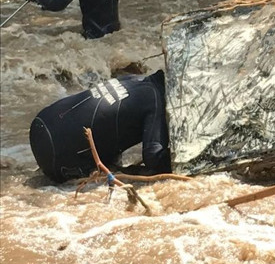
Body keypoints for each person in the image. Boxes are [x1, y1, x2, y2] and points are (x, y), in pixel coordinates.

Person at [29, 70, 171, 183]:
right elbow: (153, 158)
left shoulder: (133, 79)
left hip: (41, 124)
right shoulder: (155, 99)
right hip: (59, 155)